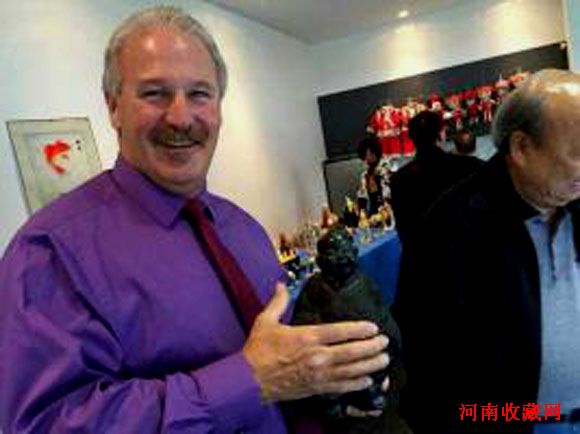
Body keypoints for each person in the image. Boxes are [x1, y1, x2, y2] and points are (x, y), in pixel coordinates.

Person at [0, 6, 391, 433]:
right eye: (154, 93)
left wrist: (332, 384)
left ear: (219, 107)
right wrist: (248, 381)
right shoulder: (50, 253)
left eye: (199, 94)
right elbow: (44, 425)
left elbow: (285, 364)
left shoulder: (243, 229)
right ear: (113, 107)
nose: (181, 117)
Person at [393, 69, 580, 434]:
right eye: (578, 152)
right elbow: (432, 378)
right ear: (522, 148)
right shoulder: (446, 232)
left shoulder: (573, 200)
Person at [389, 110, 483, 246]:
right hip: (466, 250)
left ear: (411, 138)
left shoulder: (398, 180)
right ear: (441, 134)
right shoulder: (469, 166)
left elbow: (404, 232)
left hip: (425, 254)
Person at [356, 135, 392, 216]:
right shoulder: (365, 175)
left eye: (368, 155)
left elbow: (388, 194)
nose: (366, 159)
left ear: (375, 153)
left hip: (388, 211)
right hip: (373, 214)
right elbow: (362, 197)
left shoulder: (386, 169)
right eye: (364, 156)